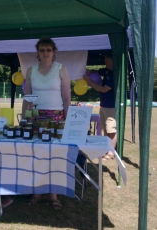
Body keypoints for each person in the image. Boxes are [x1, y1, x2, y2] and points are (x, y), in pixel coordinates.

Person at [22, 37, 71, 210]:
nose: (45, 53)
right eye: (42, 50)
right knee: (36, 156)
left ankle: (54, 195)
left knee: (54, 157)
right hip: (35, 118)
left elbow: (66, 98)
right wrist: (24, 118)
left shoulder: (61, 70)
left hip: (56, 119)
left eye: (48, 50)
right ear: (38, 52)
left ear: (54, 52)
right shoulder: (30, 71)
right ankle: (36, 193)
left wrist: (68, 119)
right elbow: (27, 98)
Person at [83, 53, 116, 160]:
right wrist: (90, 72)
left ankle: (111, 152)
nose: (105, 62)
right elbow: (97, 71)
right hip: (103, 105)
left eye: (107, 61)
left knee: (112, 130)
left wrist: (89, 82)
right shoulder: (107, 71)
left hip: (111, 106)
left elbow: (103, 89)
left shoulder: (114, 74)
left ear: (113, 61)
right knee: (105, 129)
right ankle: (107, 149)